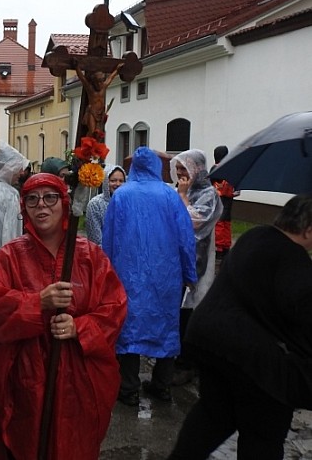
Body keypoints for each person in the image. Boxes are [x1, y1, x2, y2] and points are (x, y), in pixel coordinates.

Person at [0, 172, 127, 460]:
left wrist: (80, 327)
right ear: (23, 207)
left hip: (78, 382)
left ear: (64, 203)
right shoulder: (8, 257)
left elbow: (115, 308)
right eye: (33, 199)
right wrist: (37, 303)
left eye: (50, 197)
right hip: (25, 381)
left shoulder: (91, 256)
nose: (42, 206)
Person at [168, 194, 312, 460]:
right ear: (308, 229)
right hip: (255, 362)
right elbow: (302, 309)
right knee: (263, 434)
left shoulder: (254, 237)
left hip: (209, 341)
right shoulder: (293, 257)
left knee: (214, 414)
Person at [102, 146, 198, 406]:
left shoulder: (121, 196)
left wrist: (105, 274)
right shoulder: (170, 196)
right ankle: (162, 385)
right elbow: (185, 238)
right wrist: (190, 274)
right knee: (167, 327)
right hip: (166, 276)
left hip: (128, 275)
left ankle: (129, 388)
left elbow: (108, 238)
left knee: (130, 328)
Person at [170, 148, 223, 384]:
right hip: (176, 260)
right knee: (178, 312)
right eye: (178, 169)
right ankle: (179, 357)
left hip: (197, 261)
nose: (180, 174)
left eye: (185, 169)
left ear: (197, 170)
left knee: (190, 313)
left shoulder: (209, 194)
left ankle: (188, 364)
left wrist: (181, 197)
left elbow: (194, 222)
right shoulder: (183, 189)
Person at [209, 145, 239, 271]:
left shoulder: (214, 169)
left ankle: (223, 249)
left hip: (222, 203)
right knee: (222, 225)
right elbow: (224, 187)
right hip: (223, 202)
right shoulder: (223, 169)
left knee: (223, 224)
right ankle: (221, 251)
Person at [85, 165, 126, 246]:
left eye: (121, 181)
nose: (118, 184)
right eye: (113, 180)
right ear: (106, 182)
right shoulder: (95, 204)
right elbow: (95, 240)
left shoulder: (128, 203)